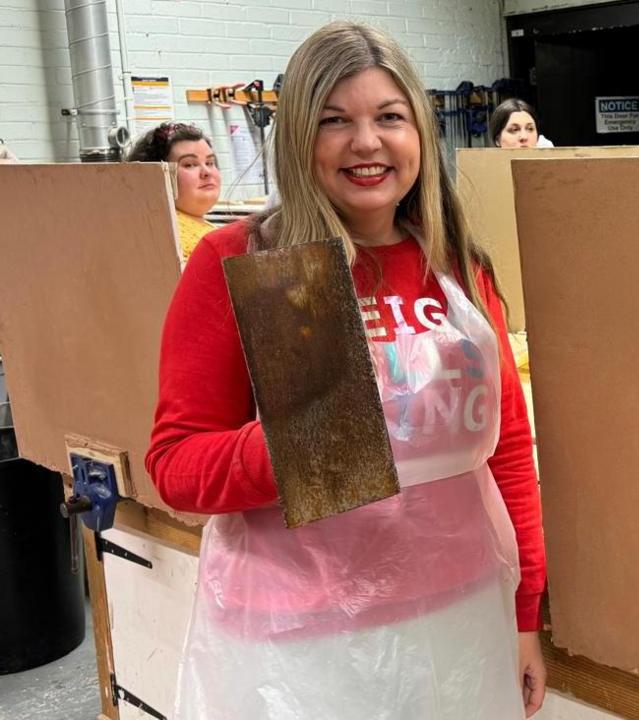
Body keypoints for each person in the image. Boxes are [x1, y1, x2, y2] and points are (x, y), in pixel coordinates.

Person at [145, 21, 547, 719]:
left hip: (460, 621)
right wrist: (304, 443)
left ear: (420, 131)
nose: (367, 142)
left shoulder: (454, 265)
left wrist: (523, 613)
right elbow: (176, 465)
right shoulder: (249, 262)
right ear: (300, 139)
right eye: (335, 121)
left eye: (389, 117)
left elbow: (505, 447)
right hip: (298, 648)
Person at [126, 123, 222, 260]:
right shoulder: (183, 240)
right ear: (157, 175)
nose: (206, 172)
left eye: (210, 162)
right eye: (189, 164)